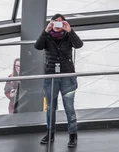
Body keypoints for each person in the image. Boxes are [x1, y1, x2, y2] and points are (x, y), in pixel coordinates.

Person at [34, 13, 83, 148]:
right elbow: (37, 46)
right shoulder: (47, 36)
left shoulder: (68, 36)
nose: (57, 25)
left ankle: (73, 135)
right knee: (51, 108)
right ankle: (50, 133)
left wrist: (70, 31)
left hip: (67, 76)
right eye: (54, 22)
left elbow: (79, 45)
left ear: (64, 24)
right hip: (51, 77)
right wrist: (46, 31)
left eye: (60, 22)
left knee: (69, 108)